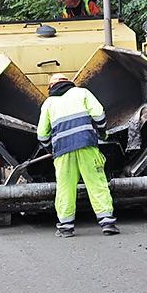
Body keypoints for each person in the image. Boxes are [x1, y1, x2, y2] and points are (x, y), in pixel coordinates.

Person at [37, 73, 119, 237]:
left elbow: (42, 135)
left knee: (65, 188)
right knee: (97, 183)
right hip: (86, 146)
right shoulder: (82, 93)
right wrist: (102, 133)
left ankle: (66, 227)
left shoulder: (48, 103)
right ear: (68, 83)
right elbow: (99, 114)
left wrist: (51, 150)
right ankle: (107, 223)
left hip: (62, 152)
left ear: (51, 88)